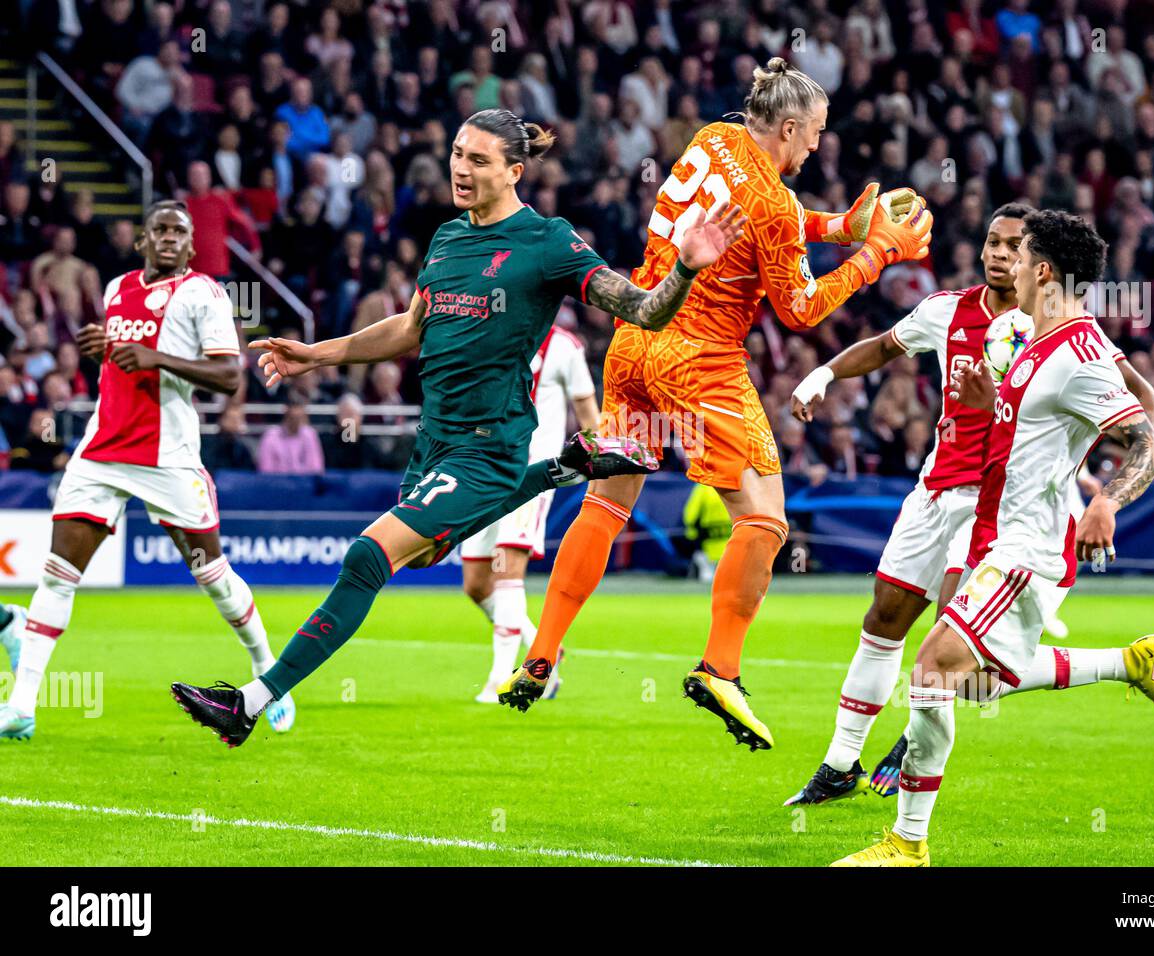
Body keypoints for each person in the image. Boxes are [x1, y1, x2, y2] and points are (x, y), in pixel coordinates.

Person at [168, 108, 745, 747]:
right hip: (434, 442)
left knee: (367, 557)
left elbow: (641, 309)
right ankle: (568, 468)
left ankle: (250, 702)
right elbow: (409, 329)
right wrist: (317, 353)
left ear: (514, 171)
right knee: (426, 558)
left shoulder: (548, 241)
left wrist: (687, 268)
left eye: (477, 159)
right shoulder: (447, 239)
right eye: (457, 154)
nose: (460, 168)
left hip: (488, 445)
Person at [499, 58, 932, 749]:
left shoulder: (713, 138)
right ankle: (720, 668)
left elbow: (772, 221)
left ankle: (542, 652)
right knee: (764, 520)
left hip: (635, 338)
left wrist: (840, 228)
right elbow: (801, 309)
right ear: (788, 127)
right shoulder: (772, 201)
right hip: (699, 358)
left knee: (607, 505)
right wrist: (879, 251)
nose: (817, 147)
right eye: (814, 134)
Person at [784, 205, 1154, 805]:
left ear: (1039, 266)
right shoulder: (962, 316)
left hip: (1003, 518)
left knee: (945, 657)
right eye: (992, 243)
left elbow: (1134, 405)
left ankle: (910, 801)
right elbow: (888, 347)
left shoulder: (1069, 336)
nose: (1001, 256)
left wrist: (1126, 473)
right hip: (940, 491)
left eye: (1014, 247)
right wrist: (825, 375)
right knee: (916, 640)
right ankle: (843, 764)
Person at [0, 201, 295, 741]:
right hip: (102, 450)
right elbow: (125, 361)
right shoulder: (115, 289)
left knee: (214, 578)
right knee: (57, 574)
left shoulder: (204, 293)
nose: (168, 238)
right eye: (158, 229)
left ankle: (268, 672)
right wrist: (104, 351)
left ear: (189, 245)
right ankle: (22, 706)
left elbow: (229, 376)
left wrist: (156, 358)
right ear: (142, 241)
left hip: (169, 458)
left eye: (178, 232)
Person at [461, 326, 599, 703]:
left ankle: (499, 680)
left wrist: (599, 463)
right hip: (484, 470)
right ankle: (545, 652)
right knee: (476, 583)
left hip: (532, 475)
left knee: (508, 572)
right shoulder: (491, 334)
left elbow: (587, 412)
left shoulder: (566, 346)